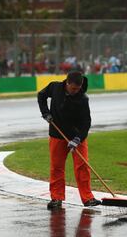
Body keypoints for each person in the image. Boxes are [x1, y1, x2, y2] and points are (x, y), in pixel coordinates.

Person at [37, 71, 101, 209]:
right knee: (57, 167)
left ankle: (88, 198)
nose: (75, 91)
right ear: (67, 83)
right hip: (57, 134)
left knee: (82, 167)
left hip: (77, 137)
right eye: (73, 88)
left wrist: (77, 139)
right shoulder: (54, 88)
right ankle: (56, 198)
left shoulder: (83, 99)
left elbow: (86, 123)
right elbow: (41, 96)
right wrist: (45, 113)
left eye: (78, 89)